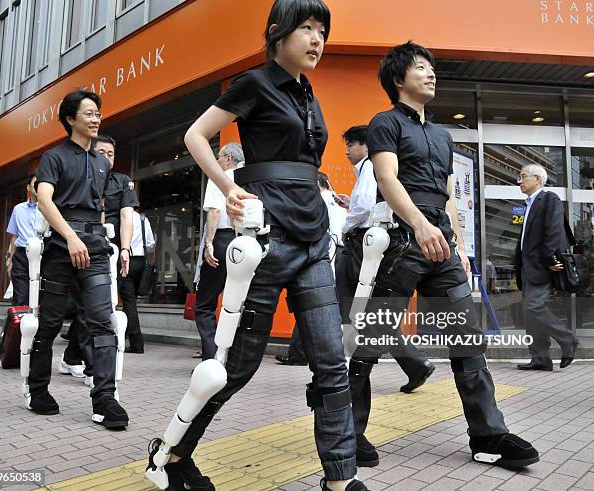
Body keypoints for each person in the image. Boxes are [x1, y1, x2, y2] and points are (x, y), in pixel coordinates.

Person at [147, 2, 366, 490]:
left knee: (332, 361)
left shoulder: (307, 92)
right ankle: (173, 452)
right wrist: (227, 188)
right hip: (266, 241)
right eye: (306, 28)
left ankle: (340, 479)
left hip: (312, 240)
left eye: (322, 31)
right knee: (238, 365)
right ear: (277, 33)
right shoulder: (254, 82)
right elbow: (196, 135)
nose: (317, 39)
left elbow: (301, 164)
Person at [355, 41, 538, 470]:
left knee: (468, 341)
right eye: (421, 68)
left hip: (443, 246)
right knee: (372, 339)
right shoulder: (384, 123)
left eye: (431, 68)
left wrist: (459, 245)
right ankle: (347, 432)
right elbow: (386, 178)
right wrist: (420, 225)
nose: (431, 74)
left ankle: (488, 436)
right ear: (398, 79)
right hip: (403, 240)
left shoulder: (442, 134)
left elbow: (449, 195)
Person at [335, 125, 435, 467]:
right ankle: (415, 365)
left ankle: (351, 430)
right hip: (380, 252)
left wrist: (346, 227)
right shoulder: (382, 167)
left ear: (365, 144)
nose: (347, 152)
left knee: (357, 329)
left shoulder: (372, 165)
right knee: (369, 326)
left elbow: (364, 206)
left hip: (362, 251)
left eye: (350, 145)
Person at [31, 89, 128, 429]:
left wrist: (101, 240)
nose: (96, 117)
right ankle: (37, 389)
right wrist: (70, 237)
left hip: (96, 249)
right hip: (60, 248)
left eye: (97, 112)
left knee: (103, 321)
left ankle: (105, 399)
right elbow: (45, 200)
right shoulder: (54, 157)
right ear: (71, 119)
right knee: (52, 321)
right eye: (88, 113)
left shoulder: (103, 162)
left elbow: (98, 209)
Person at [60, 134, 138, 381]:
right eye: (102, 152)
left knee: (97, 308)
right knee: (88, 308)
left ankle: (72, 358)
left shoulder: (122, 181)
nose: (107, 158)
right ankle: (92, 368)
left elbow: (127, 216)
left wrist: (125, 249)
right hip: (82, 248)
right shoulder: (79, 179)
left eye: (111, 154)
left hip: (110, 252)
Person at [275, 171, 346, 366]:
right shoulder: (338, 202)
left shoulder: (318, 202)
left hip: (322, 253)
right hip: (340, 254)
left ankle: (300, 353)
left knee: (310, 302)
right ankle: (305, 352)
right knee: (322, 304)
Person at [515, 163, 579, 370]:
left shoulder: (549, 198)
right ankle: (540, 358)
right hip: (527, 268)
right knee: (530, 314)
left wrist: (550, 259)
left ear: (538, 179)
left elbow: (553, 230)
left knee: (534, 308)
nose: (520, 181)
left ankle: (568, 339)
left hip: (542, 267)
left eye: (524, 177)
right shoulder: (529, 203)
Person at [195, 142, 244, 360]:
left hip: (223, 241)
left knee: (205, 304)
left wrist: (209, 244)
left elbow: (214, 211)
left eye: (219, 155)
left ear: (228, 159)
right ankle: (232, 359)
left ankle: (212, 359)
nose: (217, 160)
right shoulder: (249, 180)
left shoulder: (220, 179)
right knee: (235, 305)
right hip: (246, 244)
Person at [121, 208, 156, 353]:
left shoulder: (122, 217)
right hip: (141, 262)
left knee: (129, 302)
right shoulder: (142, 219)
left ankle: (137, 343)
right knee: (130, 302)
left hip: (126, 261)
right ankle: (122, 337)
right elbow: (151, 244)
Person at [6, 173, 39, 306]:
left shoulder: (50, 209)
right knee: (21, 296)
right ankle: (17, 326)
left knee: (40, 297)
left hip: (43, 255)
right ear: (28, 187)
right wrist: (10, 260)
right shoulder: (18, 209)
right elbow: (14, 235)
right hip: (21, 255)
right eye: (35, 183)